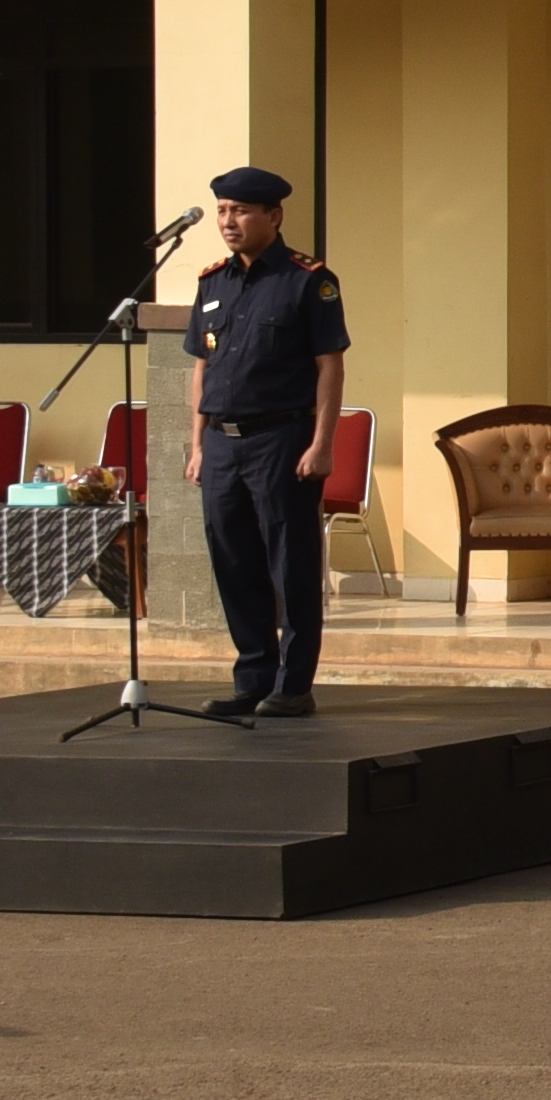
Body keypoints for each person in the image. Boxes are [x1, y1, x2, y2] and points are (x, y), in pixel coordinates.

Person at [179, 166, 348, 722]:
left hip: (282, 438)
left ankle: (293, 683)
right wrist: (198, 444)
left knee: (290, 564)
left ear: (273, 217)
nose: (229, 221)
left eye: (241, 211)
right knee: (234, 562)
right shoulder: (212, 282)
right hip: (223, 445)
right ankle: (252, 676)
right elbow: (203, 368)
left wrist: (323, 443)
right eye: (224, 211)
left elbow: (329, 367)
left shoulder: (307, 280)